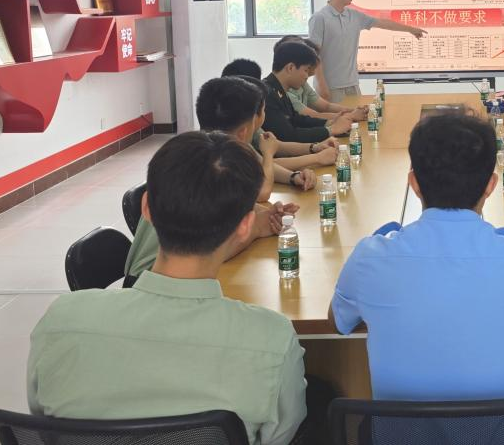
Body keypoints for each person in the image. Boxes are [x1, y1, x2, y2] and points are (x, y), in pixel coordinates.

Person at [29, 132, 312, 444]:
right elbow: (282, 434)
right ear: (245, 225)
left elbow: (42, 419)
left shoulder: (59, 321)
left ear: (146, 208)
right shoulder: (271, 339)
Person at [331, 111, 504, 400]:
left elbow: (339, 322)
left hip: (398, 427)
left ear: (414, 183)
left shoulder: (369, 258)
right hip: (501, 427)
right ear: (491, 185)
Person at [124, 77, 302, 282]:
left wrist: (266, 215)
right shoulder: (220, 166)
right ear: (245, 131)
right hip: (151, 279)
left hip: (159, 278)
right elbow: (206, 251)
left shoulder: (194, 153)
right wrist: (258, 228)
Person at [309, 0, 425, 103]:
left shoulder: (354, 16)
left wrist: (411, 29)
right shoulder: (319, 18)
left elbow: (383, 23)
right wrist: (321, 86)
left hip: (352, 85)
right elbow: (313, 55)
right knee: (335, 117)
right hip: (330, 88)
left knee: (358, 116)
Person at [263, 41, 352, 142]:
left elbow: (297, 120)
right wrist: (330, 130)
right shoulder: (268, 94)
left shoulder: (278, 89)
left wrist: (329, 123)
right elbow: (288, 135)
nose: (306, 76)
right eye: (306, 70)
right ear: (291, 68)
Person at [276, 36, 369, 123]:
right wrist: (352, 116)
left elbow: (326, 106)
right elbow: (315, 116)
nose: (317, 61)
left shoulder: (302, 84)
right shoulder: (284, 92)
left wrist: (355, 111)